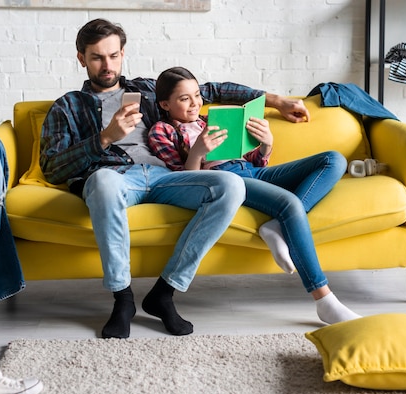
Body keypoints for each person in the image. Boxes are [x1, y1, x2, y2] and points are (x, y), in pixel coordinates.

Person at [39, 19, 314, 338]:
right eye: (97, 57)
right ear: (81, 58)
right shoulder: (67, 106)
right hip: (113, 178)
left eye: (113, 56)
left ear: (123, 53)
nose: (107, 65)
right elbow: (52, 168)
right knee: (101, 182)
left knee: (230, 185)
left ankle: (164, 292)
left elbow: (213, 90)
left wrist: (278, 101)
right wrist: (104, 138)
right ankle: (122, 299)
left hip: (164, 176)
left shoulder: (146, 90)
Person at [148, 66, 361, 324]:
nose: (195, 104)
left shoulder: (209, 120)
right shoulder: (162, 131)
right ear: (164, 104)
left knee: (333, 160)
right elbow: (183, 182)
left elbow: (254, 162)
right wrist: (197, 153)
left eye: (196, 95)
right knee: (289, 205)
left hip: (250, 172)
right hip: (227, 181)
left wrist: (266, 145)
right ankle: (324, 299)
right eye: (184, 99)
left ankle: (275, 226)